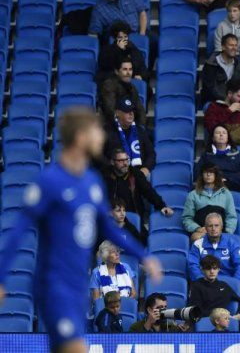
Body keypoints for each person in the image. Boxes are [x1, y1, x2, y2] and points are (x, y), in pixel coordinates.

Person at [0, 107, 162, 353]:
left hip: (77, 286)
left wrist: (144, 256)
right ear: (80, 137)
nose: (101, 136)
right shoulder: (50, 181)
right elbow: (18, 232)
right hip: (55, 285)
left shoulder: (91, 181)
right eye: (96, 130)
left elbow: (108, 227)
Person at [103, 148, 172, 222]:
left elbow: (148, 191)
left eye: (127, 160)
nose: (125, 163)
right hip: (110, 218)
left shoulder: (135, 174)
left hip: (133, 218)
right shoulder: (104, 175)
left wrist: (162, 206)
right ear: (112, 162)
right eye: (121, 161)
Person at [182, 164, 238, 241]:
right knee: (196, 237)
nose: (208, 175)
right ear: (202, 175)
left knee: (228, 239)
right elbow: (187, 218)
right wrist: (198, 228)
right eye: (205, 172)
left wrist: (228, 231)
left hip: (221, 232)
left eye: (211, 172)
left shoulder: (226, 193)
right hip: (202, 233)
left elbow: (231, 216)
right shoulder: (193, 194)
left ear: (216, 175)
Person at [197, 124, 240, 200]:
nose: (221, 135)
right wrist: (215, 179)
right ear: (213, 138)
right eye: (217, 133)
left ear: (228, 137)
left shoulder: (238, 154)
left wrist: (227, 178)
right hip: (212, 192)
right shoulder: (207, 155)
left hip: (235, 190)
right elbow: (197, 174)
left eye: (224, 133)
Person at [188, 212, 240, 282]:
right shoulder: (197, 245)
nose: (213, 228)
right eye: (210, 226)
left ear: (221, 227)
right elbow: (192, 266)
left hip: (228, 284)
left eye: (216, 225)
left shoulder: (231, 243)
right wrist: (202, 282)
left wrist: (235, 282)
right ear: (205, 228)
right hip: (205, 284)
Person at [104, 98, 154, 176]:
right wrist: (113, 167)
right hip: (115, 173)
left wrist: (146, 168)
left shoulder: (139, 130)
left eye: (132, 111)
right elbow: (99, 156)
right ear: (117, 113)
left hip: (138, 172)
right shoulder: (107, 131)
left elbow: (151, 154)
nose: (131, 114)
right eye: (126, 111)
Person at [99, 60, 147, 126]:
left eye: (130, 69)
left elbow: (140, 110)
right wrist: (125, 125)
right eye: (125, 69)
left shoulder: (132, 87)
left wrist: (140, 127)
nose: (128, 73)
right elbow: (110, 110)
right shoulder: (109, 85)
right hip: (113, 127)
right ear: (117, 71)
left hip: (130, 125)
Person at [202, 34, 240, 104]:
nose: (234, 48)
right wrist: (226, 100)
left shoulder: (239, 64)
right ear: (223, 47)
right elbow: (211, 89)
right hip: (214, 101)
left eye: (235, 45)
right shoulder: (210, 65)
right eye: (231, 45)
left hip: (233, 100)